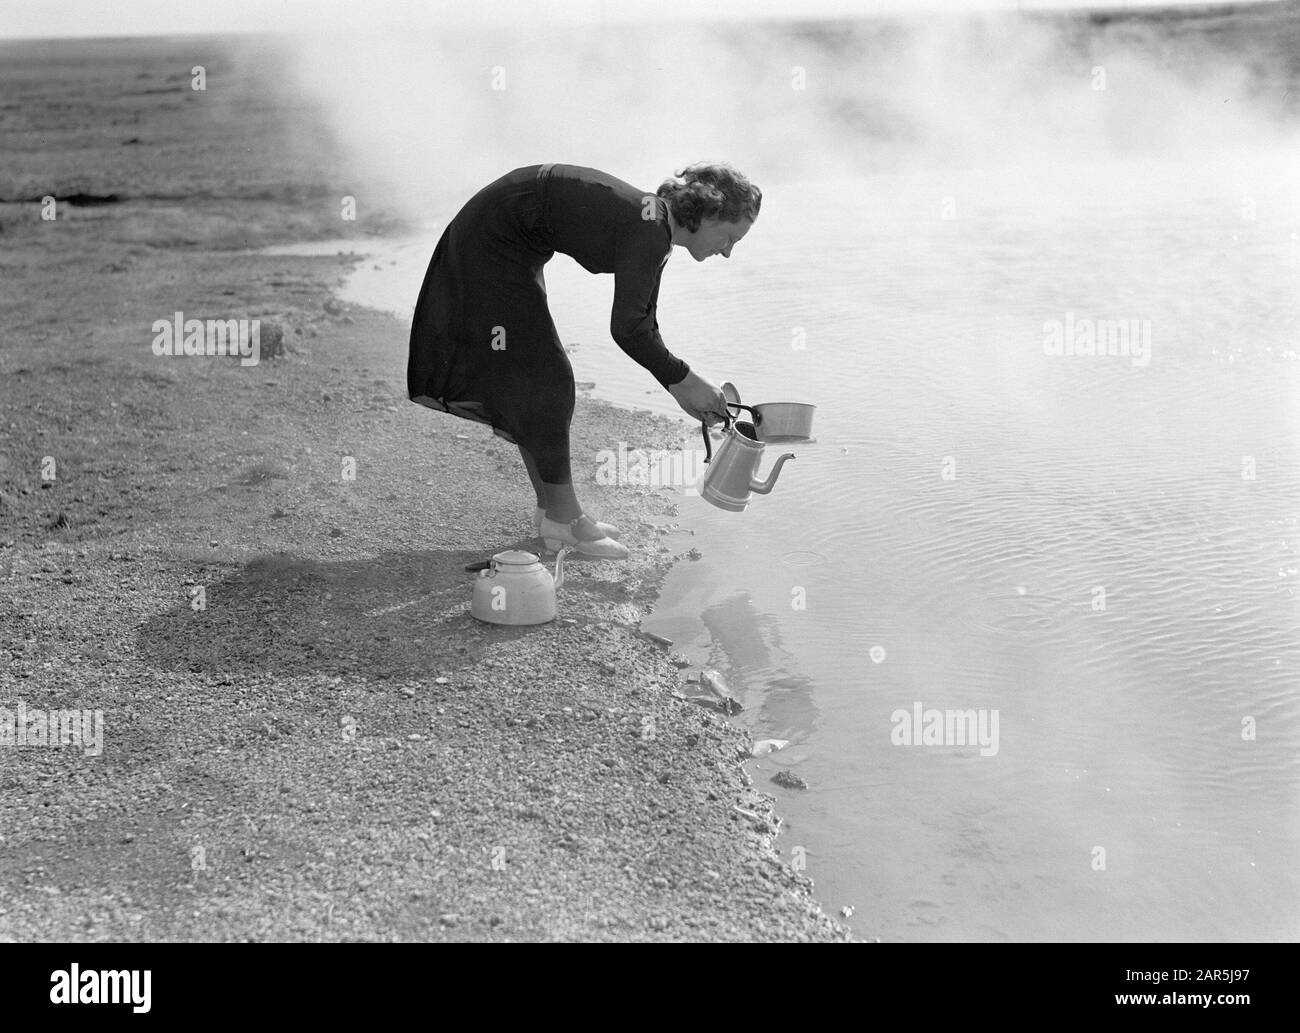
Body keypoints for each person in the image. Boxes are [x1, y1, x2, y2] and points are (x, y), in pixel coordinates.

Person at [407, 161, 761, 559]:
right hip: (492, 242)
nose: (728, 252)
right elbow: (627, 329)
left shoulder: (653, 224)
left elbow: (644, 322)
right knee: (548, 380)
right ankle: (565, 520)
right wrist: (686, 380)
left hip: (504, 243)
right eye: (731, 237)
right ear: (711, 213)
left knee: (536, 377)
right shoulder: (650, 229)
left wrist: (681, 386)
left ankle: (551, 511)